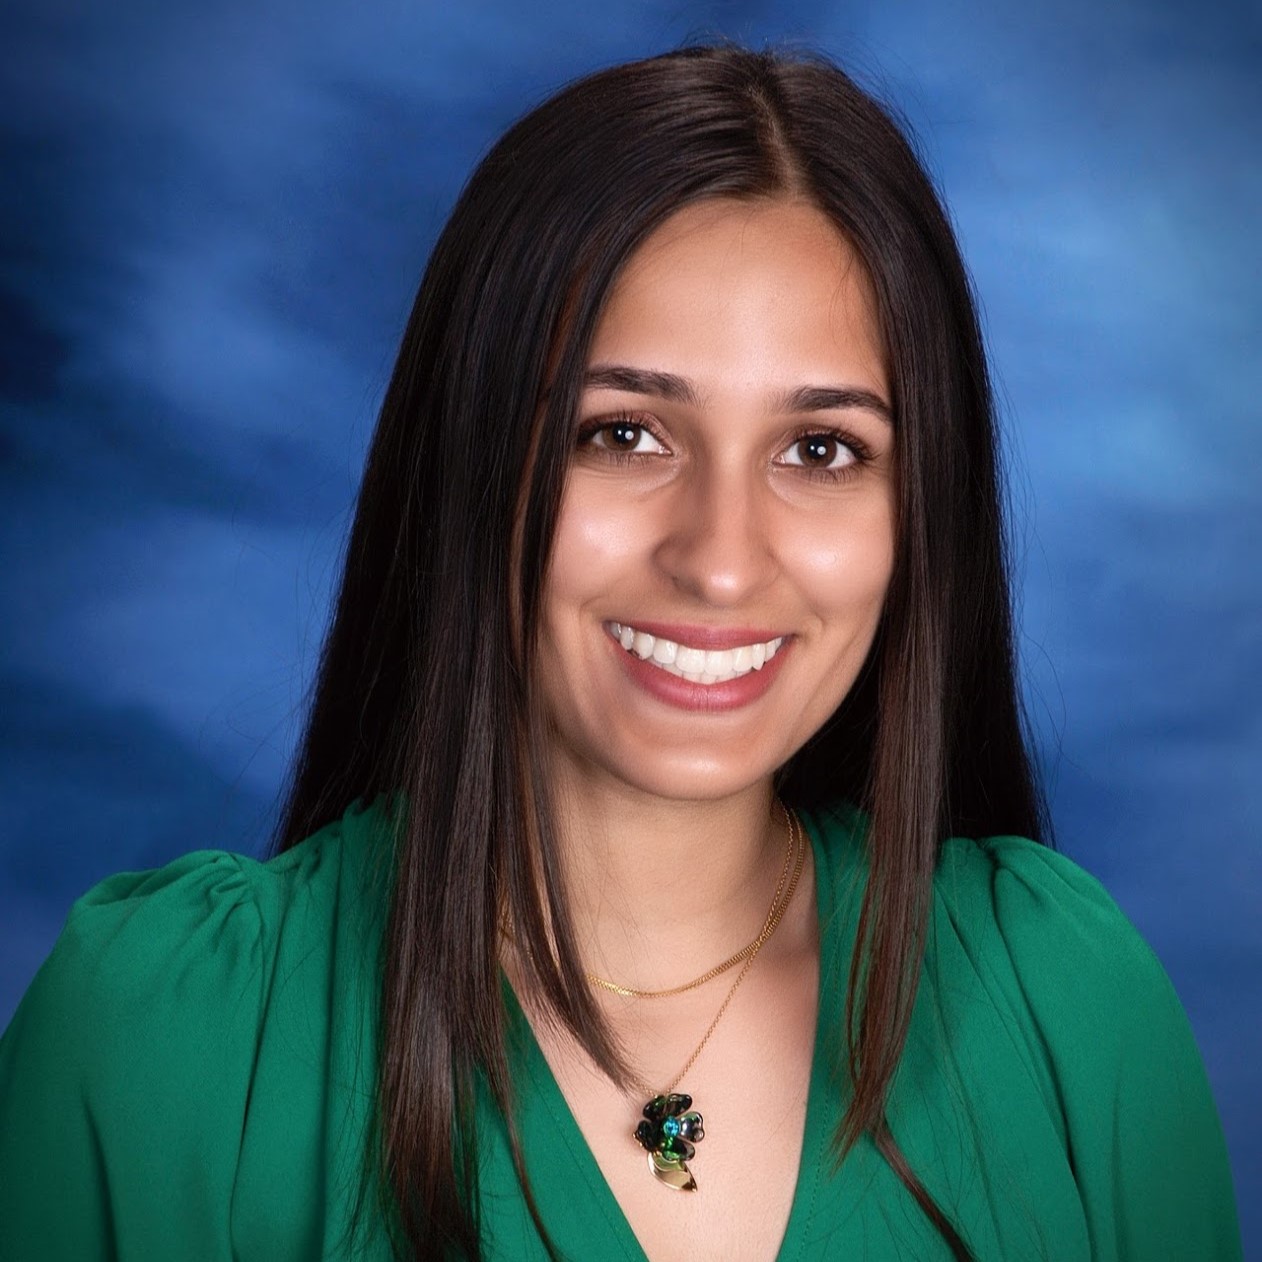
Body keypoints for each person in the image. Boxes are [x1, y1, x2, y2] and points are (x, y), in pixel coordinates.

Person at [0, 44, 1243, 1262]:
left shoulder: (1066, 1000)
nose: (718, 558)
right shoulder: (161, 1040)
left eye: (820, 450)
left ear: (919, 516)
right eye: (623, 433)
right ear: (470, 459)